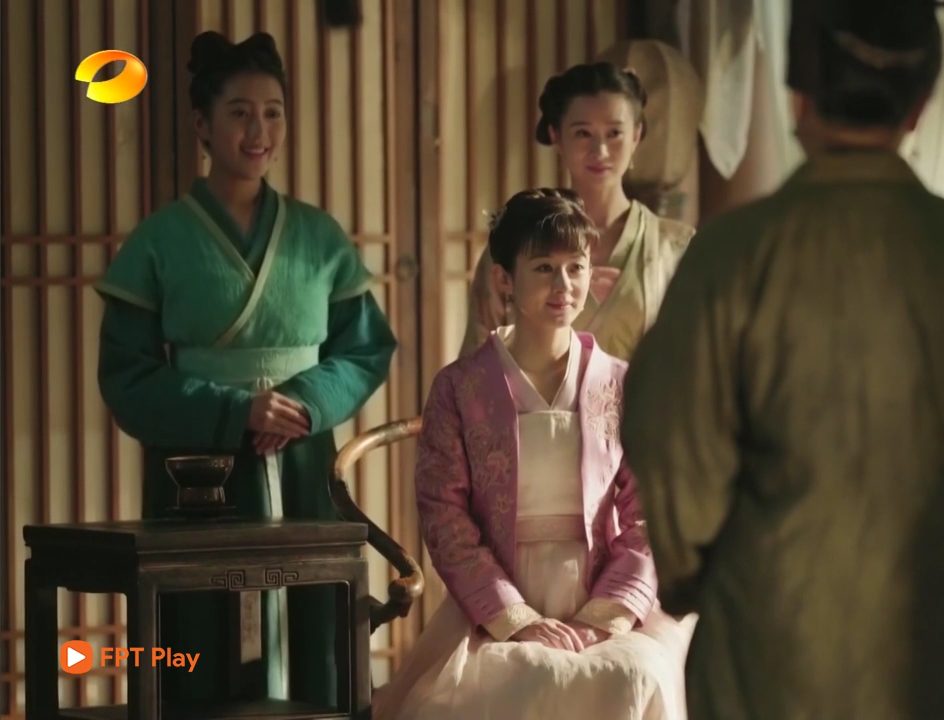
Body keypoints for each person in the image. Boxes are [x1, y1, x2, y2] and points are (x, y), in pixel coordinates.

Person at [620, 3, 944, 718]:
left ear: (798, 98)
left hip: (779, 652)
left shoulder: (734, 256)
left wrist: (711, 578)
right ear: (921, 106)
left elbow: (671, 440)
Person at [96, 31, 396, 707]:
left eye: (273, 112)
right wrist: (234, 411)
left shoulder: (319, 237)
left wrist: (305, 404)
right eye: (239, 112)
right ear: (202, 125)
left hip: (303, 456)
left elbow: (365, 349)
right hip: (196, 471)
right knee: (198, 640)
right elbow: (127, 375)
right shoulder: (159, 240)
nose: (259, 131)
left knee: (317, 630)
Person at [373, 189, 694, 720]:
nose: (563, 286)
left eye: (576, 267)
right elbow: (444, 515)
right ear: (505, 279)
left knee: (632, 675)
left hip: (603, 596)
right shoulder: (460, 388)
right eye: (544, 268)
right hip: (492, 606)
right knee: (509, 682)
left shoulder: (622, 384)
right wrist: (516, 618)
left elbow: (650, 514)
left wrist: (600, 618)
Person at [459, 62, 694, 360]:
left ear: (636, 136)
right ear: (557, 136)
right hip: (525, 392)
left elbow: (695, 358)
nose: (600, 151)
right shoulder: (515, 239)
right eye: (583, 133)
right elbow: (476, 362)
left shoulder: (676, 247)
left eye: (614, 133)